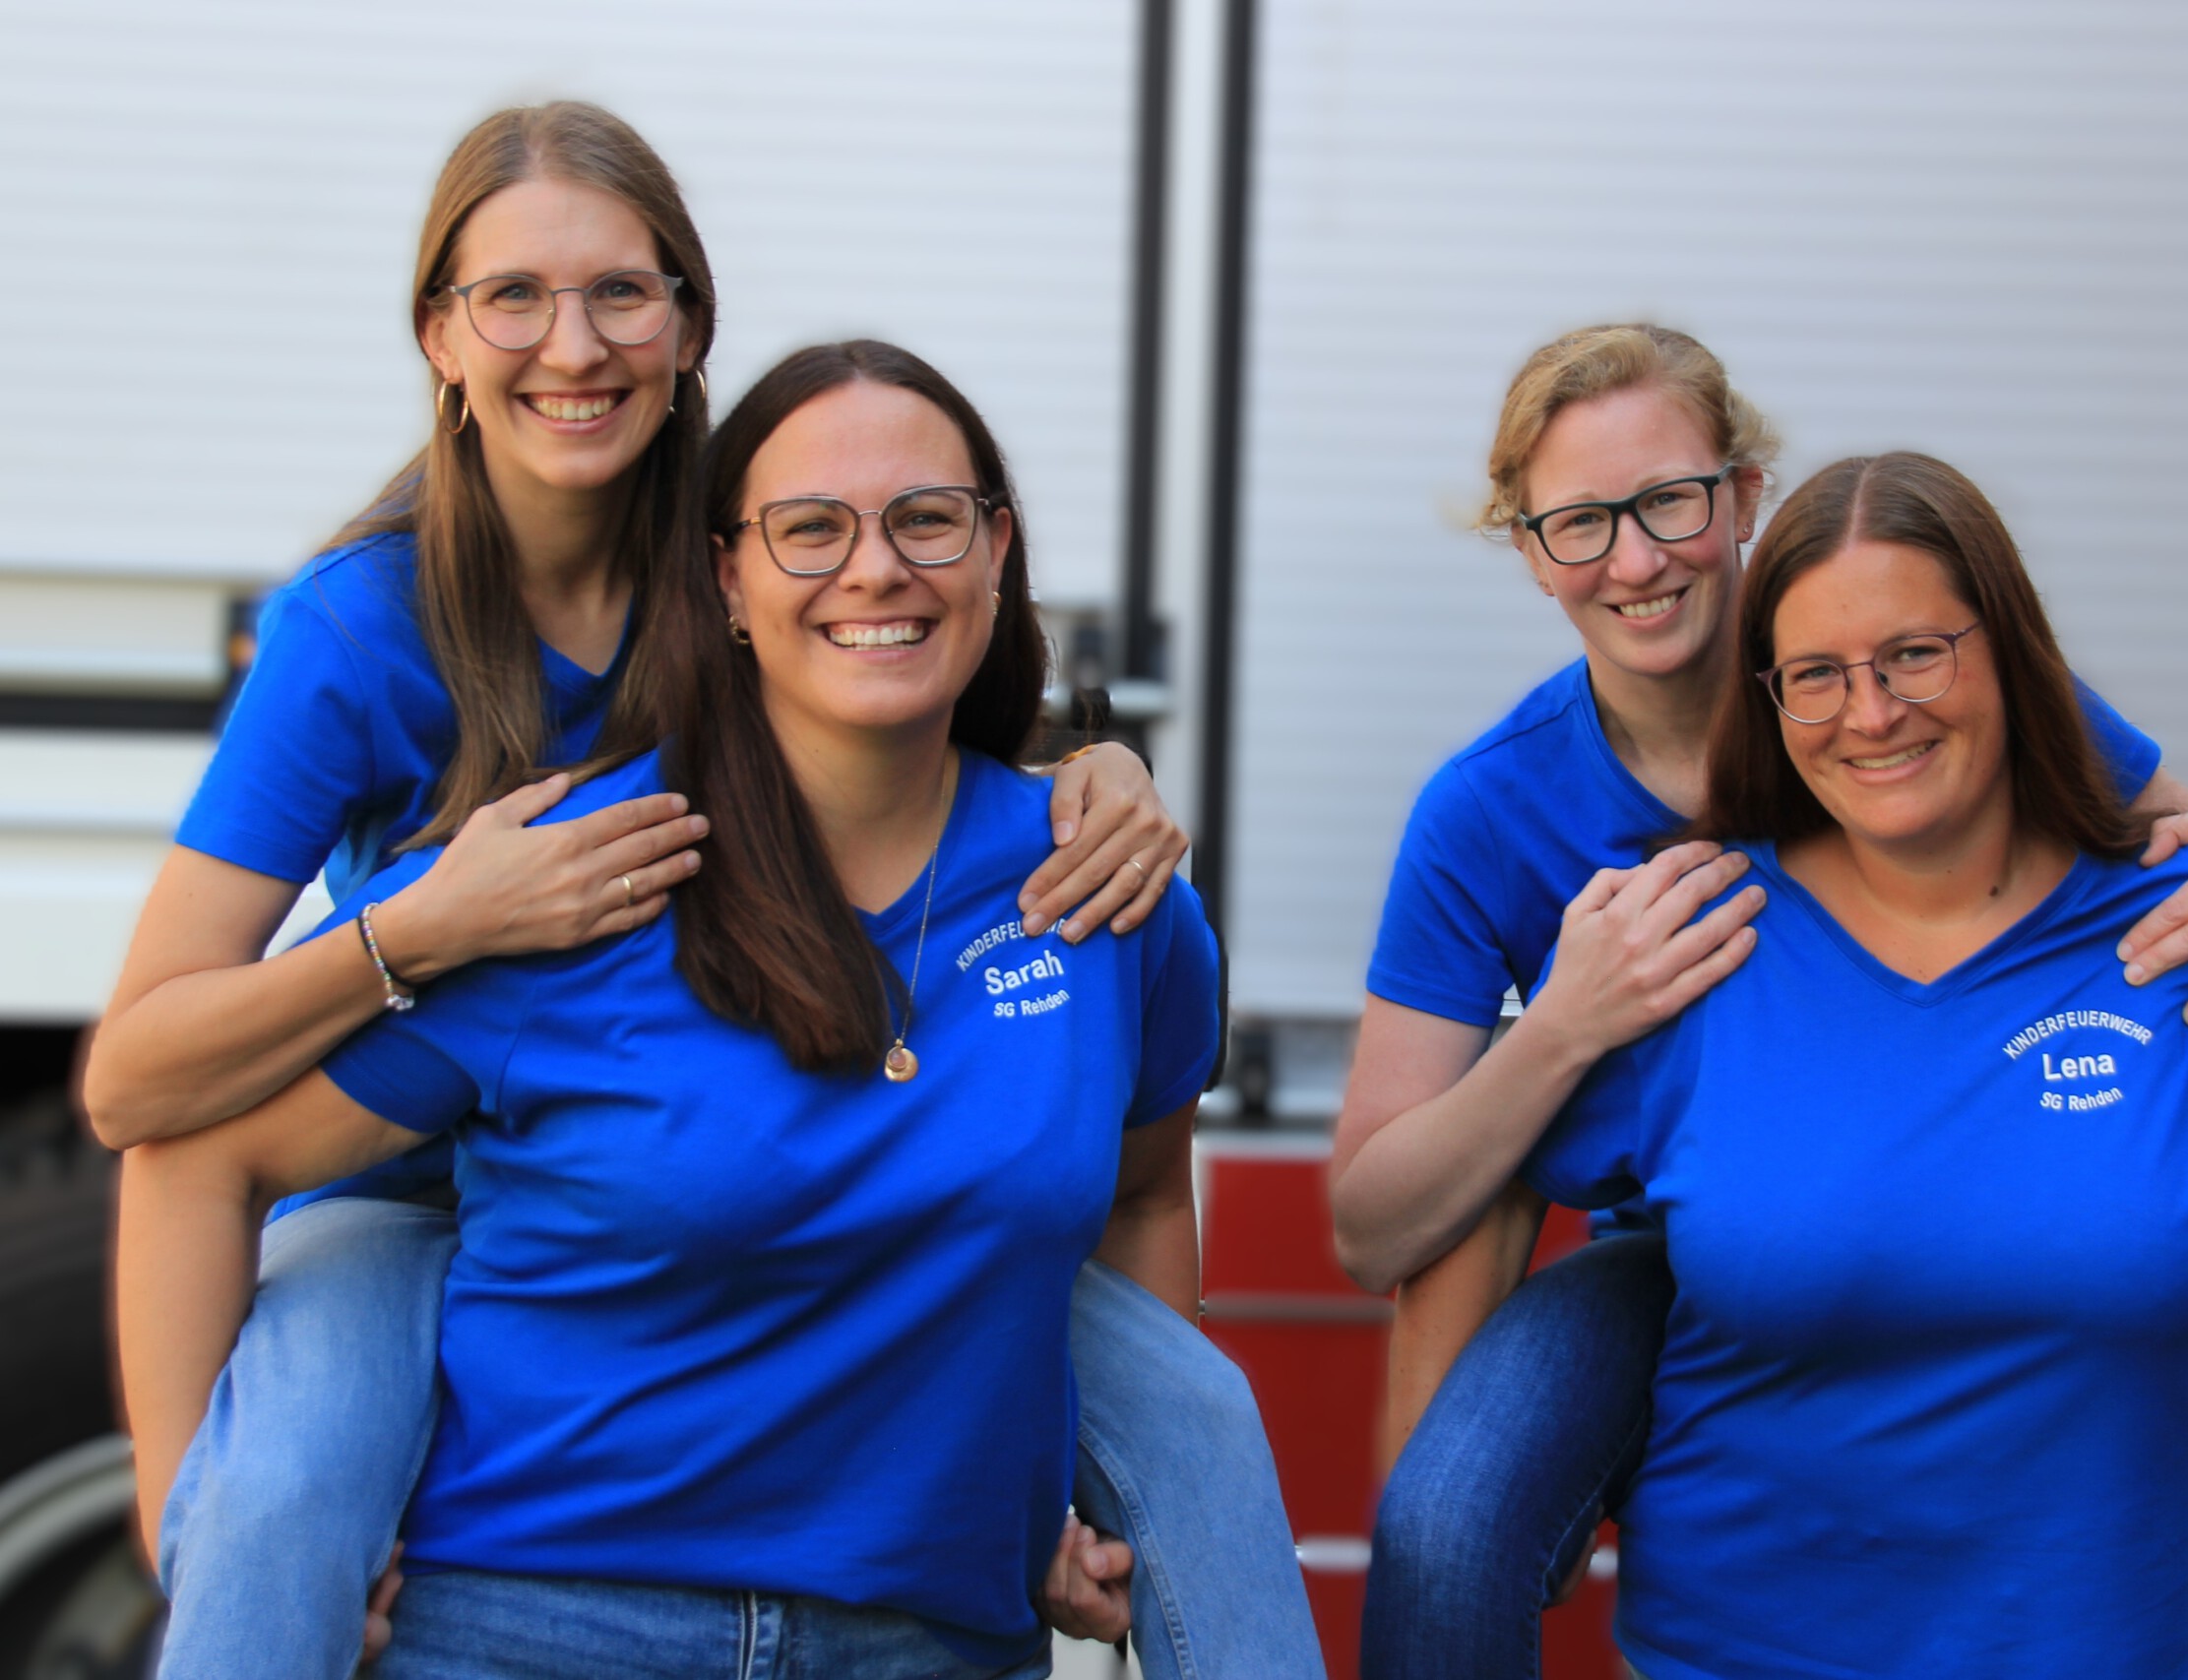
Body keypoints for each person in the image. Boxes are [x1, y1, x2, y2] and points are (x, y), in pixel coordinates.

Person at [85, 104, 1291, 1680]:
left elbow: (896, 657)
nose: (570, 345)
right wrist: (430, 924)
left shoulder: (730, 537)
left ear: (690, 323)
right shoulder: (362, 626)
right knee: (279, 1509)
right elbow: (140, 1092)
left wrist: (1096, 770)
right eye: (511, 295)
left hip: (730, 1173)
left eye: (619, 295)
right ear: (439, 336)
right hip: (418, 1174)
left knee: (1197, 1410)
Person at [1333, 325, 2188, 1678]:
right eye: (1581, 523)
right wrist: (1561, 1027)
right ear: (1532, 550)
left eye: (1667, 501)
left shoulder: (1965, 700)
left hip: (2082, 1212)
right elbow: (1422, 1218)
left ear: (1740, 496)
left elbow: (2180, 845)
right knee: (1442, 1523)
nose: (1637, 556)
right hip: (1697, 1246)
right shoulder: (1553, 850)